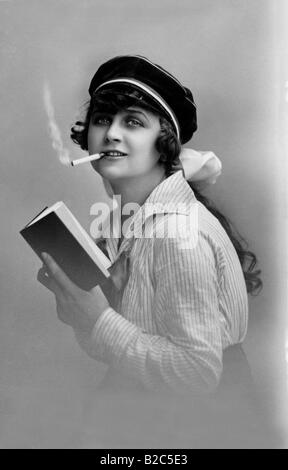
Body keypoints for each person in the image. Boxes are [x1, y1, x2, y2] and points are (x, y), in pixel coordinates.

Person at [38, 55, 262, 395]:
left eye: (132, 122)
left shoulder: (176, 234)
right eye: (102, 119)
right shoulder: (124, 223)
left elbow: (196, 376)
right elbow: (124, 347)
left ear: (165, 142)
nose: (111, 133)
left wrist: (100, 321)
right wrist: (87, 311)